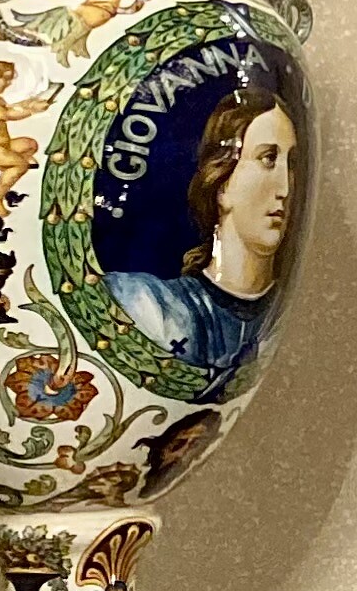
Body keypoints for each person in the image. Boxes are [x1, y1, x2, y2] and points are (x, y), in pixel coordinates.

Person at [109, 82, 300, 384]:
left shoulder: (278, 321)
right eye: (267, 158)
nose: (285, 189)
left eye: (292, 164)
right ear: (221, 184)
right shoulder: (150, 306)